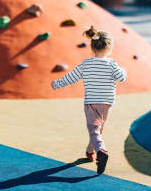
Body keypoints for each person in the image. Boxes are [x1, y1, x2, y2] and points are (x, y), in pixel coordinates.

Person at [51, 26, 127, 174]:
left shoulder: (85, 64)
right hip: (107, 104)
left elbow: (70, 78)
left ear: (92, 47)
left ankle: (101, 151)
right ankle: (90, 151)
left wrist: (56, 84)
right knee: (97, 129)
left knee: (93, 129)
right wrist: (123, 70)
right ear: (110, 47)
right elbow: (122, 78)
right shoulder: (112, 64)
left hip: (91, 103)